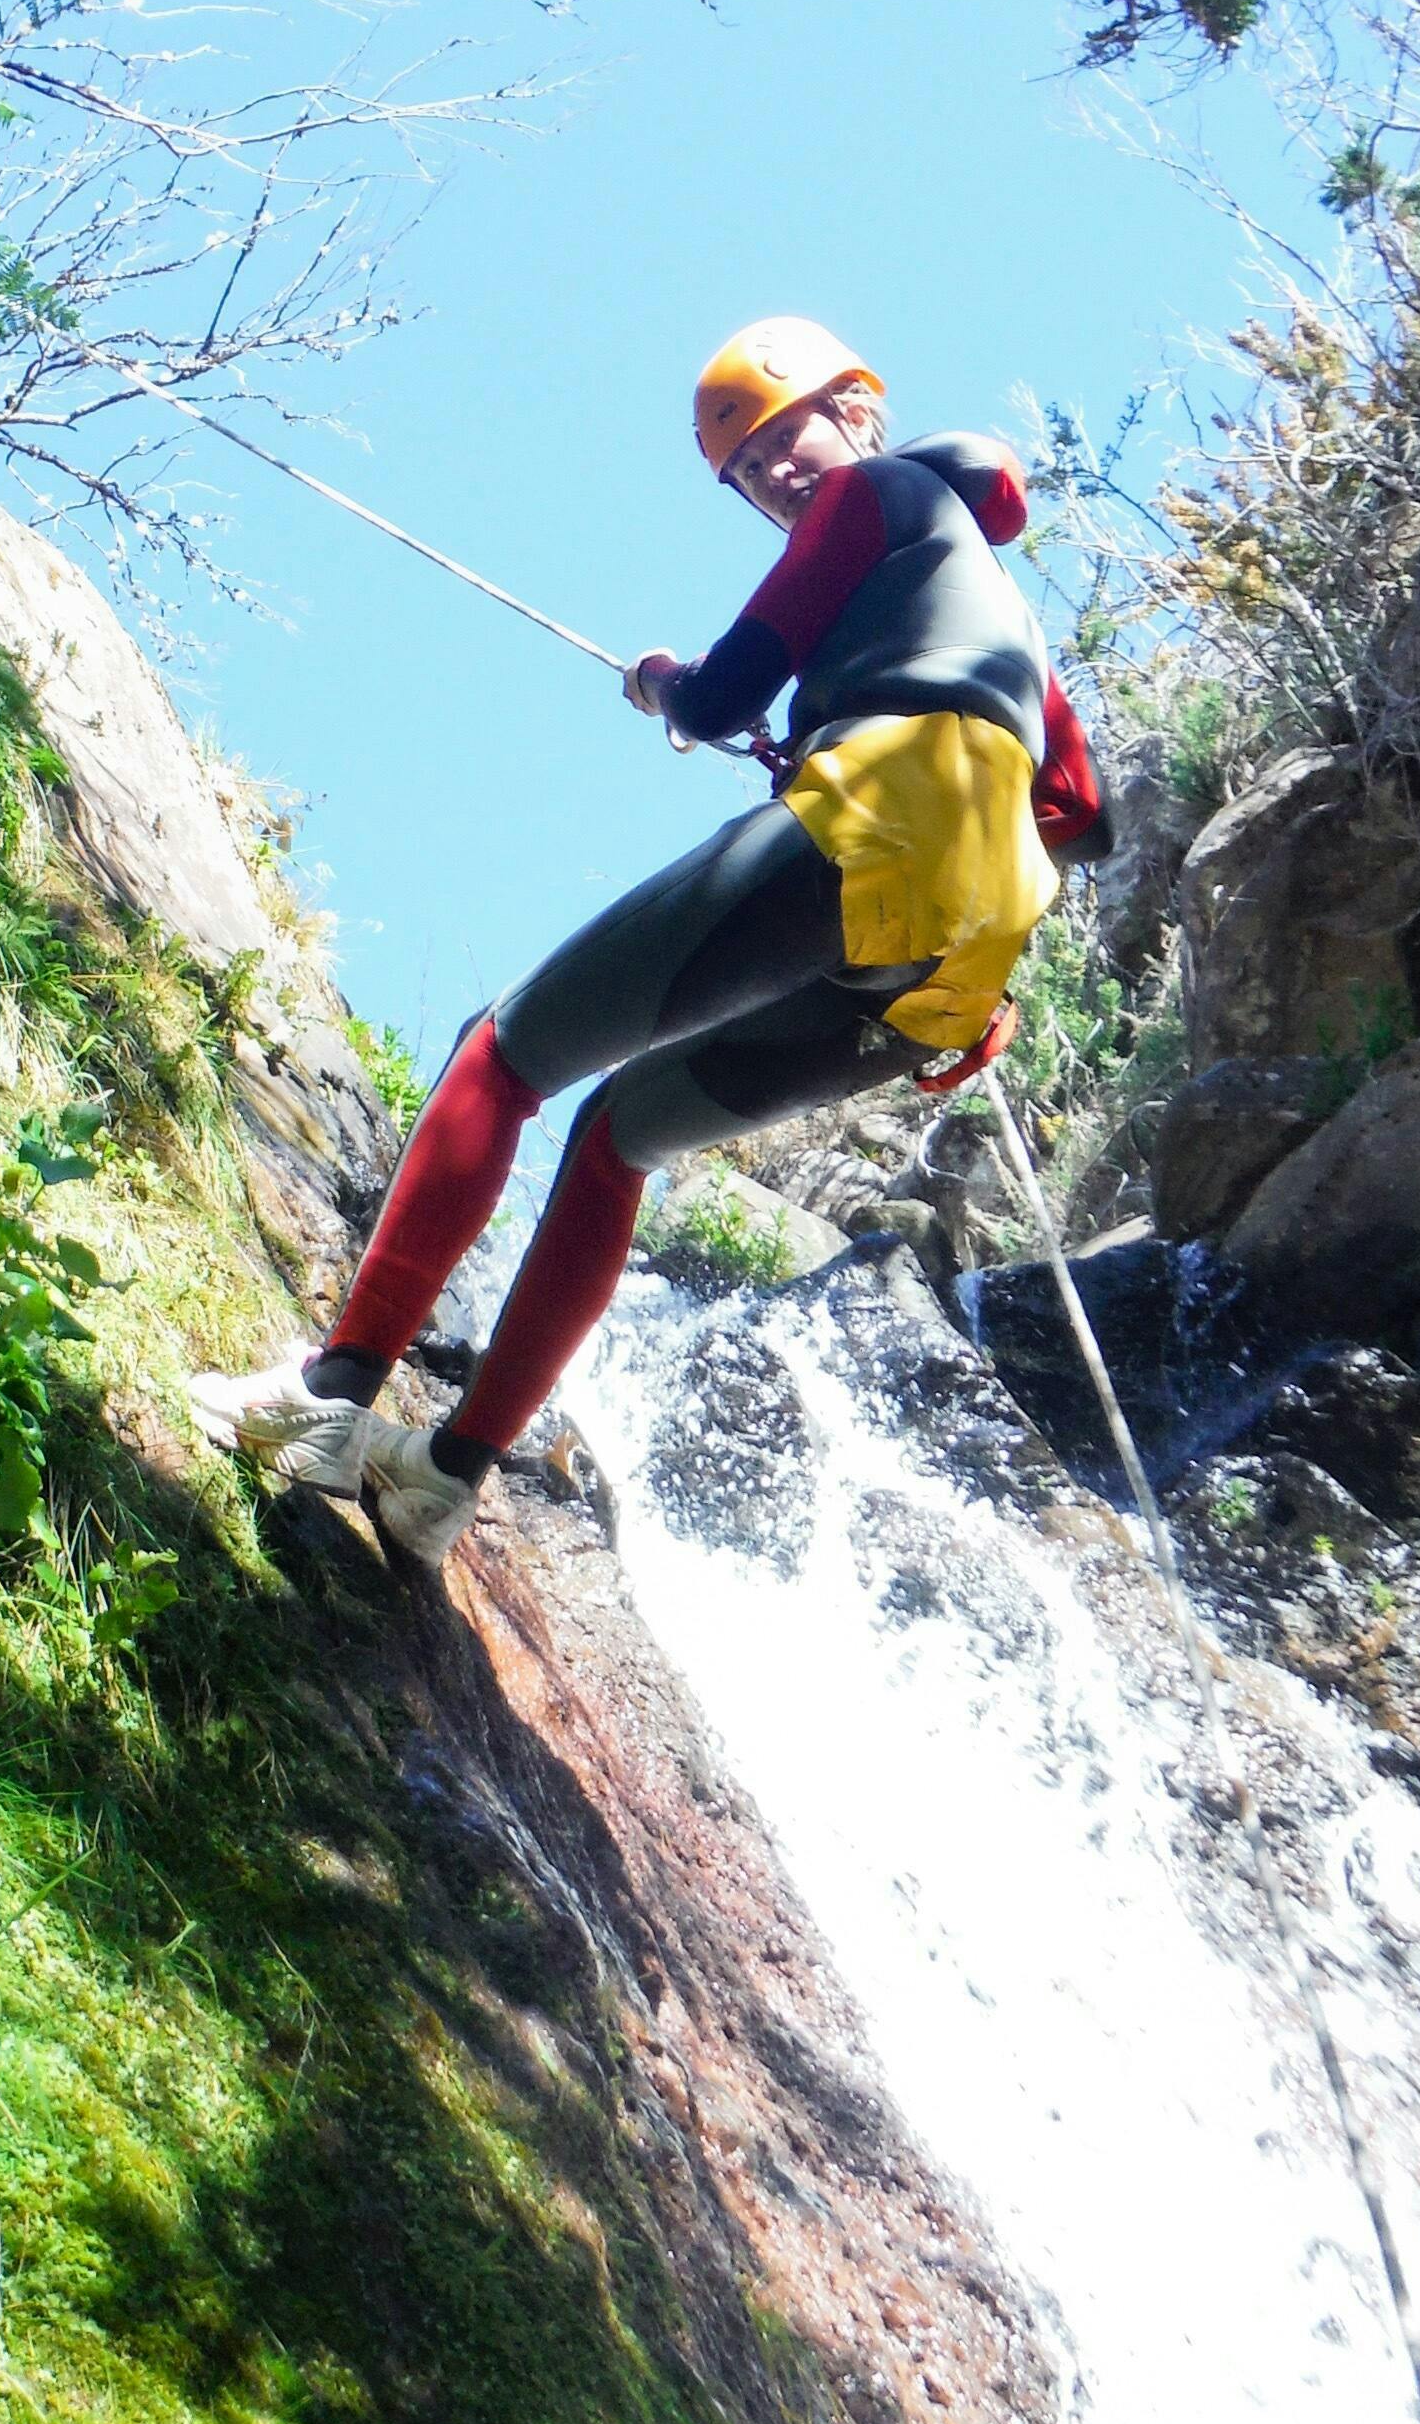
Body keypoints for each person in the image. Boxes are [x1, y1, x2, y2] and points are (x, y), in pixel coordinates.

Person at [196, 316, 1112, 1563]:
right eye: (752, 467)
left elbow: (730, 688)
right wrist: (977, 961)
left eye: (793, 429)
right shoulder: (999, 609)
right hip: (959, 949)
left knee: (500, 1052)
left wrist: (666, 686)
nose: (784, 468)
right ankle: (442, 1482)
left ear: (860, 409)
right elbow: (1083, 817)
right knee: (620, 1136)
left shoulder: (874, 494)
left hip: (882, 812)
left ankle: (328, 1401)